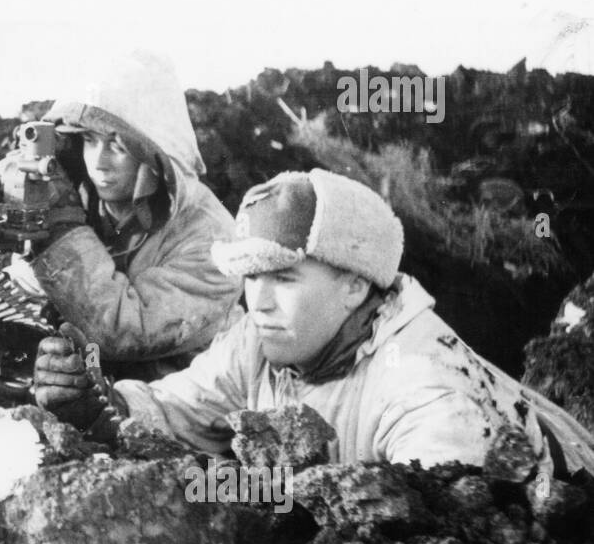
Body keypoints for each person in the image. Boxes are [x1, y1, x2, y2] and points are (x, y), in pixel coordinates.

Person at [33, 168, 594, 474]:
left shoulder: (426, 389)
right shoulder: (264, 341)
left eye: (285, 278)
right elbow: (178, 410)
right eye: (252, 279)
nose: (260, 302)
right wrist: (96, 404)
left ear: (354, 285)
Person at [0, 50, 243, 382]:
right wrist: (19, 215)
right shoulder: (83, 198)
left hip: (179, 406)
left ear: (153, 154)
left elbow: (126, 331)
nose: (98, 163)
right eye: (88, 140)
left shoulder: (211, 236)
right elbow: (20, 291)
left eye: (116, 146)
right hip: (85, 390)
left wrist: (58, 230)